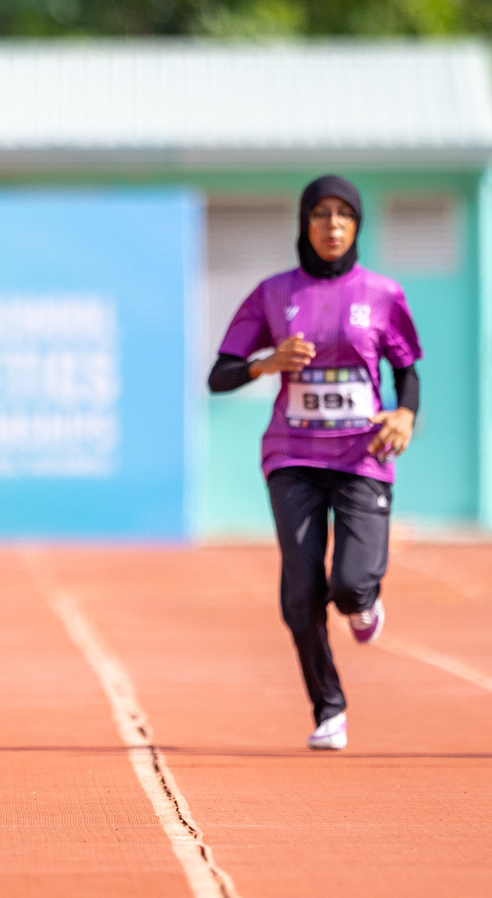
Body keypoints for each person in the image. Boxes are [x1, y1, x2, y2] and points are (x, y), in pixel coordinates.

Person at [208, 175, 422, 751]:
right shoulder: (274, 294)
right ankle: (329, 707)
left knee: (349, 587)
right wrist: (266, 362)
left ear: (356, 226)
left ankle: (363, 602)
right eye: (320, 214)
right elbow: (219, 375)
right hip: (292, 454)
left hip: (362, 455)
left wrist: (404, 415)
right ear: (304, 224)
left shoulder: (381, 293)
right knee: (300, 592)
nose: (332, 225)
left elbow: (406, 370)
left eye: (343, 215)